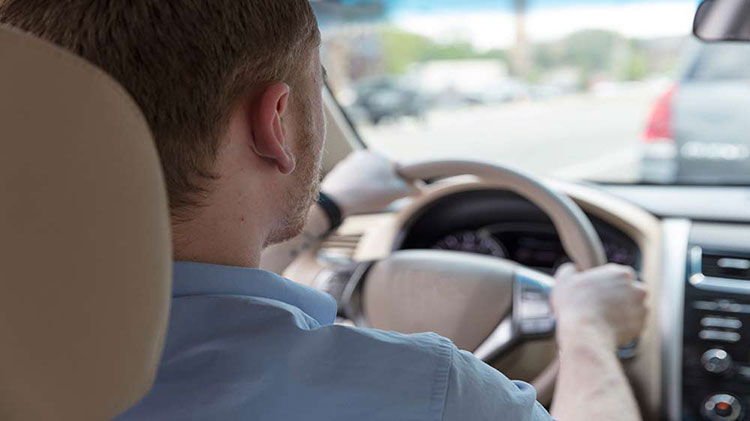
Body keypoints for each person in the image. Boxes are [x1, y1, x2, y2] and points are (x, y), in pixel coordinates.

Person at [0, 1, 648, 420]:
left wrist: (332, 206)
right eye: (321, 86)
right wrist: (585, 329)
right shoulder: (432, 395)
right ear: (276, 121)